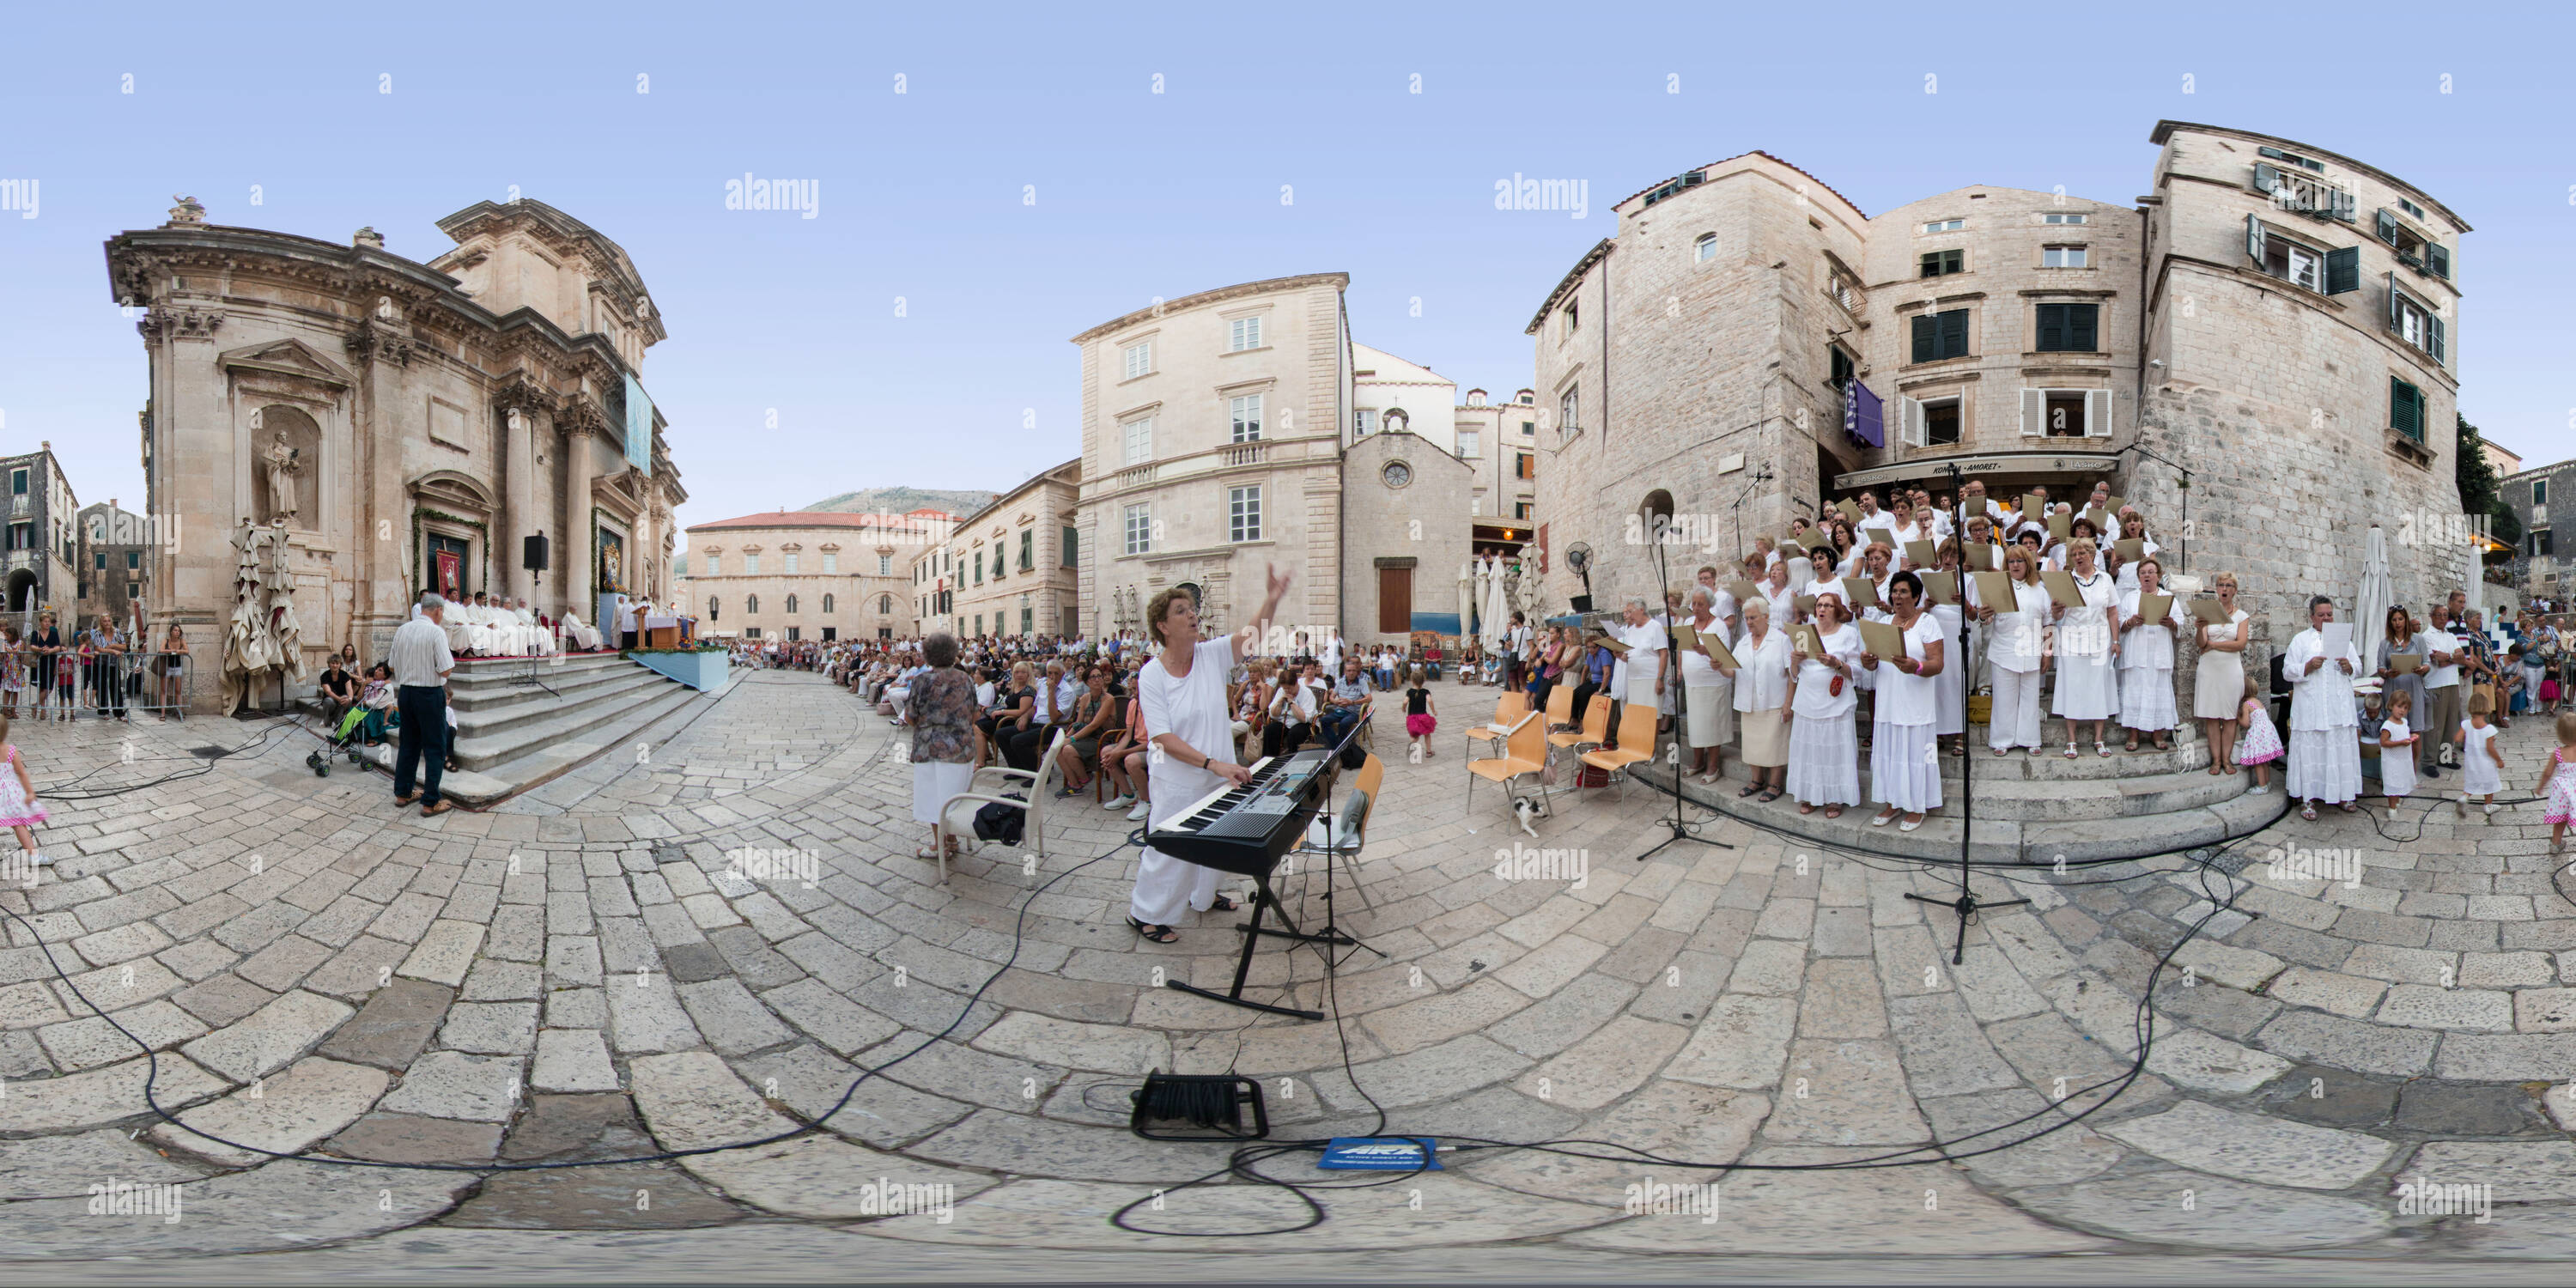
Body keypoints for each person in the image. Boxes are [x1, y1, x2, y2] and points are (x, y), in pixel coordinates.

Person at [1127, 565, 1291, 945]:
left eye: (1193, 609)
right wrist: (1212, 763)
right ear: (1163, 626)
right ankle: (1145, 913)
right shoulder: (1152, 675)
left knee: (1215, 838)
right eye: (1182, 611)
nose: (1193, 615)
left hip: (1220, 773)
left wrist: (1273, 597)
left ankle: (1203, 897)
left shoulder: (1209, 655)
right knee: (1170, 848)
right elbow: (1162, 737)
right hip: (1179, 778)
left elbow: (1252, 637)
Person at [1863, 572, 1945, 831]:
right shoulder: (1885, 621)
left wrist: (1917, 667)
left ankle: (1917, 807)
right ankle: (1892, 803)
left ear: (1916, 595)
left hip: (1915, 704)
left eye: (1903, 592)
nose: (1897, 597)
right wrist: (1869, 662)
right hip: (1888, 701)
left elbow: (1938, 664)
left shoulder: (1927, 623)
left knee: (1915, 755)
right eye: (1894, 592)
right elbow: (1875, 658)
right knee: (1890, 753)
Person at [2284, 594, 2363, 821]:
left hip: (2338, 707)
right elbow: (2287, 671)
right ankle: (2308, 799)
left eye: (2330, 614)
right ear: (2312, 617)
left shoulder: (2344, 640)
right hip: (2312, 708)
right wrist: (2307, 667)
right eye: (2321, 615)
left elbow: (2358, 666)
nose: (2326, 618)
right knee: (2312, 752)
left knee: (2339, 751)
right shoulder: (2301, 640)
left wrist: (2350, 667)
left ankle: (2343, 794)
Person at [1785, 592, 1864, 818]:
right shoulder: (1804, 632)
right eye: (1819, 605)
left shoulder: (1848, 633)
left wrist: (1837, 664)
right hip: (1808, 699)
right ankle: (1811, 794)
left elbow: (1857, 671)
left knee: (1834, 751)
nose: (1822, 609)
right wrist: (1794, 662)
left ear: (1837, 609)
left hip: (1835, 702)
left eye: (1828, 605)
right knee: (1811, 750)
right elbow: (1794, 675)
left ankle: (1835, 798)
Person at [902, 633, 978, 864]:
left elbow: (910, 716)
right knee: (954, 795)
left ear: (928, 654)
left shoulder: (922, 681)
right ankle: (952, 839)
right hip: (962, 748)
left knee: (935, 798)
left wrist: (929, 725)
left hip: (931, 747)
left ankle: (940, 845)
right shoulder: (965, 679)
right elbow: (975, 713)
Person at [2050, 535, 2120, 757]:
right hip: (2072, 640)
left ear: (2092, 554)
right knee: (2073, 688)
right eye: (2074, 554)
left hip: (2100, 641)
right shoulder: (2065, 580)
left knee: (2098, 688)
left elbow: (2112, 611)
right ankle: (2071, 740)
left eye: (2082, 553)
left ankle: (2099, 738)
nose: (2078, 557)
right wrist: (2056, 610)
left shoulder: (2105, 579)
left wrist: (2116, 641)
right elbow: (2058, 614)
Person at [391, 592, 459, 816]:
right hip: (429, 694)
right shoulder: (435, 631)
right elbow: (446, 669)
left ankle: (403, 792)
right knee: (435, 747)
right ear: (438, 610)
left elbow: (391, 665)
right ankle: (430, 801)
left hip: (406, 692)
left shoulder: (403, 629)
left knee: (408, 743)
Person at [1725, 597, 1791, 801]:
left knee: (1774, 745)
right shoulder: (1743, 641)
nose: (1749, 621)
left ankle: (1775, 783)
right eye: (1746, 618)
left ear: (1766, 616)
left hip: (1774, 700)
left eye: (1753, 617)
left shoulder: (1781, 640)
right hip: (1749, 701)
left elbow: (1792, 674)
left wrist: (1789, 703)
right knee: (1753, 745)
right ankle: (1756, 779)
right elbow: (1732, 671)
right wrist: (1719, 666)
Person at [2116, 557, 2180, 752]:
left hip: (2159, 651)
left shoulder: (2168, 597)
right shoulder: (2130, 598)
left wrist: (2171, 623)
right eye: (2143, 573)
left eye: (2151, 572)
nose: (2147, 576)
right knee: (2134, 691)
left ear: (2158, 576)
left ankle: (2157, 733)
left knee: (2158, 690)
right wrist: (2130, 622)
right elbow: (2119, 621)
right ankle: (2133, 734)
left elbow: (2180, 622)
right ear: (2138, 577)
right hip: (2136, 651)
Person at [1680, 586, 1735, 786]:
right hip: (1692, 683)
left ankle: (1713, 765)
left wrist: (1707, 651)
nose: (1695, 607)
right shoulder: (1687, 622)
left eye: (1700, 604)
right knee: (1696, 725)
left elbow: (1724, 656)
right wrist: (1679, 669)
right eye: (1693, 603)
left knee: (1712, 725)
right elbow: (1681, 648)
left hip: (1713, 683)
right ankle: (1697, 761)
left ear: (1709, 605)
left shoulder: (1719, 626)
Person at [2418, 605, 2464, 778]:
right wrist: (2451, 658)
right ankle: (2428, 761)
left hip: (2452, 682)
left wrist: (2449, 657)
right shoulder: (2426, 637)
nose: (2443, 618)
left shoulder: (2451, 635)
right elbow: (2437, 660)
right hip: (2436, 684)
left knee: (2450, 725)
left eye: (2445, 615)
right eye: (2439, 615)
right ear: (2431, 616)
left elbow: (2461, 656)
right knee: (2434, 726)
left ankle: (2444, 758)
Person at [0, 714, 49, 870]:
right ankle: (33, 856)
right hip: (10, 795)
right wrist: (29, 792)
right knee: (19, 825)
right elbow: (21, 773)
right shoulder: (11, 751)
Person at [2233, 674, 2281, 794]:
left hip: (2258, 733)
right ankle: (2267, 782)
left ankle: (2262, 785)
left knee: (2258, 762)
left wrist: (2237, 716)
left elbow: (2245, 723)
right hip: (2267, 732)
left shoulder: (2246, 704)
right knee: (2265, 760)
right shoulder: (2258, 702)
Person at [2378, 690, 2420, 813]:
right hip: (2392, 761)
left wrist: (2412, 736)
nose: (2402, 710)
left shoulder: (2404, 722)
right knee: (2393, 782)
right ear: (2391, 706)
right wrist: (2400, 742)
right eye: (2399, 706)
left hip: (2403, 760)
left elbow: (2403, 734)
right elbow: (2383, 742)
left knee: (2401, 780)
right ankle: (2392, 808)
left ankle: (2396, 802)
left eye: (2405, 708)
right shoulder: (2388, 725)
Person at [2541, 710, 2576, 854]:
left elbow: (2547, 773)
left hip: (2562, 792)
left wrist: (2540, 787)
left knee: (2560, 818)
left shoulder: (2558, 753)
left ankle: (2556, 844)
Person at [1319, 659, 1370, 750]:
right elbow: (1332, 697)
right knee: (1323, 720)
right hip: (1340, 710)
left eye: (1354, 670)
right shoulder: (1340, 682)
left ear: (1357, 672)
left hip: (1354, 712)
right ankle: (1337, 745)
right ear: (1345, 672)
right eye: (1349, 671)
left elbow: (1369, 698)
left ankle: (1338, 746)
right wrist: (1335, 701)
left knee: (1344, 723)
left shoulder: (1362, 682)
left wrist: (1352, 702)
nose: (1351, 673)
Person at [1403, 665, 1438, 760]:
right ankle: (1429, 751)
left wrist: (1403, 708)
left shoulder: (1409, 692)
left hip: (1412, 718)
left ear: (1412, 681)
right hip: (1423, 717)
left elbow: (1405, 701)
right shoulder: (1425, 691)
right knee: (1427, 734)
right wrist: (1434, 711)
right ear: (1423, 681)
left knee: (1415, 736)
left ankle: (1412, 745)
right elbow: (1429, 700)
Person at [317, 656, 360, 730]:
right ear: (329, 664)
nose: (335, 665)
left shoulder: (345, 675)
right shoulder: (324, 676)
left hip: (342, 698)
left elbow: (349, 689)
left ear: (340, 664)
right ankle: (325, 720)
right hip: (331, 698)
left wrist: (350, 698)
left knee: (345, 699)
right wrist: (338, 698)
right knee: (328, 701)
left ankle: (336, 721)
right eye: (333, 663)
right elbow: (328, 691)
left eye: (337, 663)